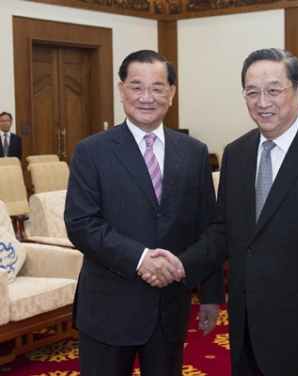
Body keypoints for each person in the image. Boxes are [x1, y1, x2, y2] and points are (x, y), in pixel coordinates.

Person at [144, 48, 298, 376]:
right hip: (246, 329)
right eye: (252, 92)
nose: (263, 102)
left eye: (274, 89)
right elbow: (225, 230)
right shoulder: (236, 154)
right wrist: (180, 264)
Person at [64, 50, 225, 376]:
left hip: (168, 311)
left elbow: (209, 228)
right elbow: (81, 224)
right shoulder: (91, 151)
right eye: (137, 87)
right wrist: (140, 259)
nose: (147, 98)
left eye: (158, 88)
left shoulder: (193, 153)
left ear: (172, 93)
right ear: (121, 90)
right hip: (108, 310)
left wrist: (210, 295)